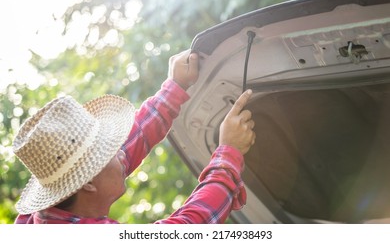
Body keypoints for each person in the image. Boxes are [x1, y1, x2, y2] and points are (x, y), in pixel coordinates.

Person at [12, 49, 256, 224]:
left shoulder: (45, 217)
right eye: (109, 152)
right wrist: (228, 154)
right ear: (86, 183)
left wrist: (174, 87)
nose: (121, 151)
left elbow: (132, 142)